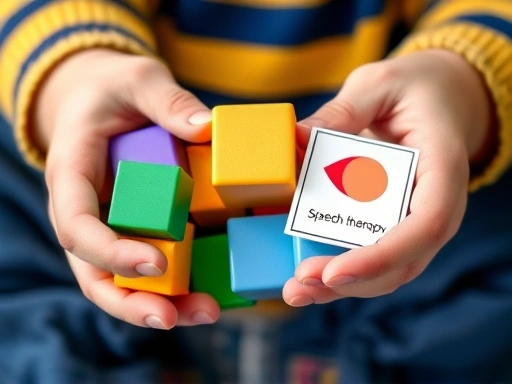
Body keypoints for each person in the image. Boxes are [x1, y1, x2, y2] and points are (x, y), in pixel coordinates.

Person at [0, 0, 511, 382]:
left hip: (386, 188)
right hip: (123, 167)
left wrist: (461, 83)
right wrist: (74, 76)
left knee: (488, 250)